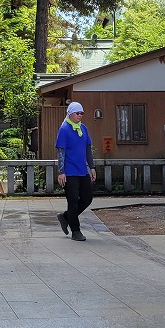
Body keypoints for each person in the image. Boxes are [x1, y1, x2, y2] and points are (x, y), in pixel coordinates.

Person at [55, 101, 96, 241]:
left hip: (82, 171)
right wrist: (61, 172)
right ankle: (75, 231)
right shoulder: (64, 129)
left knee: (87, 198)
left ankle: (66, 217)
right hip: (69, 171)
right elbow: (61, 152)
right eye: (77, 113)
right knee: (72, 202)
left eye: (82, 113)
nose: (80, 115)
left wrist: (92, 167)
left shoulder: (83, 128)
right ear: (70, 113)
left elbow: (88, 149)